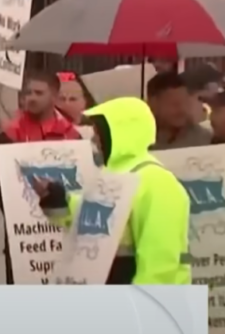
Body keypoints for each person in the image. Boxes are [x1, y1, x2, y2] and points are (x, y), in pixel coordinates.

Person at [36, 96, 191, 284]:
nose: (94, 140)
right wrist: (58, 200)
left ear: (118, 134)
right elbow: (91, 220)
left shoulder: (157, 181)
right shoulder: (112, 174)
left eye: (98, 133)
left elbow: (161, 259)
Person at [0, 70, 83, 283]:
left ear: (54, 95)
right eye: (28, 92)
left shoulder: (73, 136)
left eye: (39, 93)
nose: (31, 97)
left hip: (62, 231)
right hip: (24, 234)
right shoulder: (9, 135)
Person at [146, 71, 214, 149]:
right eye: (174, 104)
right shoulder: (135, 138)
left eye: (185, 102)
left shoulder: (204, 139)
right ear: (153, 104)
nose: (182, 109)